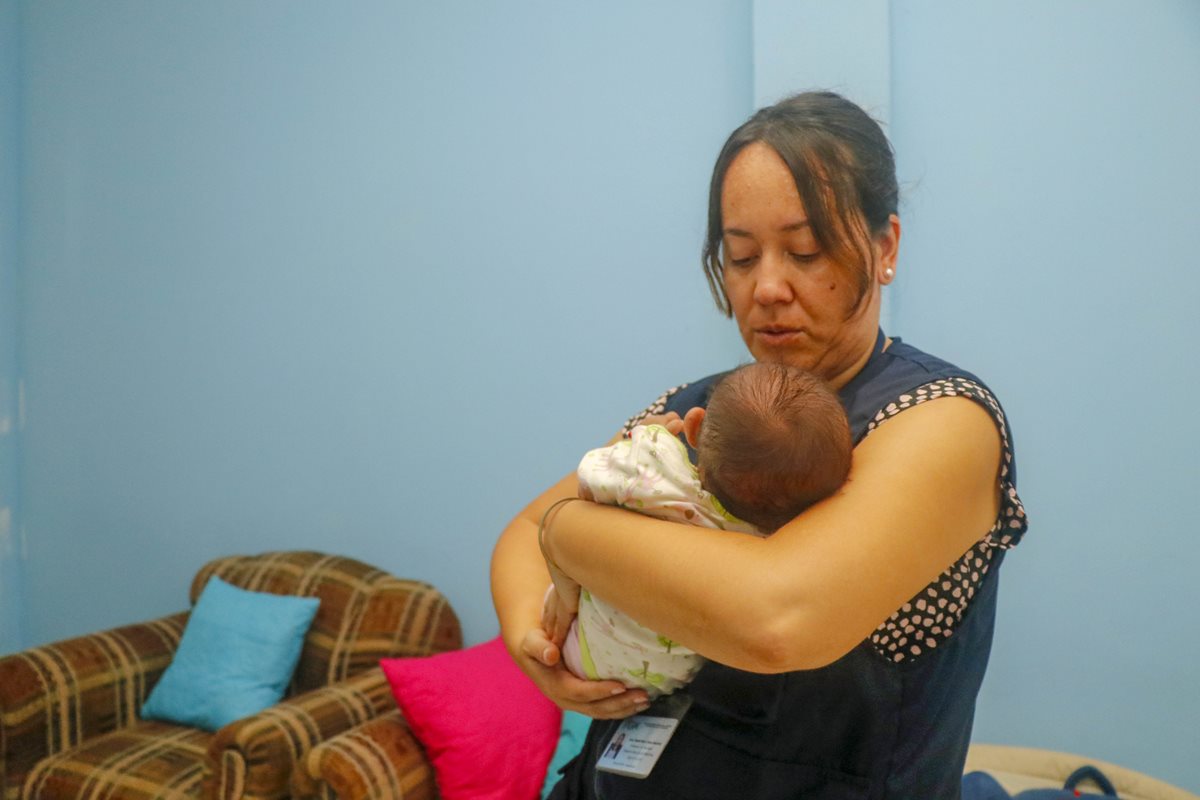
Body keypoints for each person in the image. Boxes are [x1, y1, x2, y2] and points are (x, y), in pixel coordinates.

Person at [491, 90, 1028, 799]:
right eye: (741, 257)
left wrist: (566, 531)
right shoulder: (698, 405)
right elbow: (520, 534)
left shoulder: (941, 417)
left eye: (806, 252)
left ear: (885, 246)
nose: (767, 287)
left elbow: (776, 618)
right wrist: (536, 652)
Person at [560, 361, 852, 698]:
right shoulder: (768, 546)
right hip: (664, 680)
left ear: (694, 426)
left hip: (585, 647)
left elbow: (590, 476)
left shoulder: (654, 469)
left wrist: (644, 437)